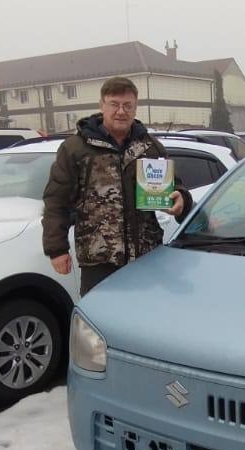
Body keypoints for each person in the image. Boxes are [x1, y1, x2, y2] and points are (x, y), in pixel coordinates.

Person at [42, 77, 193, 295]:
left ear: (135, 108)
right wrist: (57, 249)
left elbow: (177, 189)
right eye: (114, 104)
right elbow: (56, 201)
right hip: (100, 261)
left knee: (145, 313)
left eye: (127, 105)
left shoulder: (150, 147)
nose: (121, 111)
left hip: (146, 259)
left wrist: (181, 201)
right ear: (102, 105)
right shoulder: (76, 149)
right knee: (99, 316)